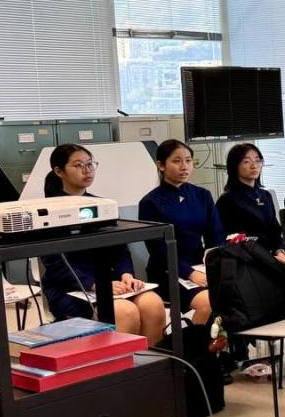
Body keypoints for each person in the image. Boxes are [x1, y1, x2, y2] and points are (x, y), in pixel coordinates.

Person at [40, 144, 167, 343]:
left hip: (111, 283)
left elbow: (120, 249)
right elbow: (55, 263)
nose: (87, 170)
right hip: (71, 288)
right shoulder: (46, 212)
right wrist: (94, 284)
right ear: (59, 171)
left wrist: (126, 275)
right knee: (125, 312)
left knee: (153, 304)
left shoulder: (103, 205)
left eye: (90, 164)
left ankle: (147, 361)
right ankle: (118, 362)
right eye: (78, 165)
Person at [138, 139, 223, 326]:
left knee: (237, 293)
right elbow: (158, 250)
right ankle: (195, 343)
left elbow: (215, 234)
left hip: (201, 266)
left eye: (188, 160)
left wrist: (214, 265)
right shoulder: (150, 202)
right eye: (177, 161)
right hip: (168, 270)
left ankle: (226, 343)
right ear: (161, 165)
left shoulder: (202, 195)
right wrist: (189, 273)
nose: (184, 166)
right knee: (208, 302)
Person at [216, 143, 285, 266]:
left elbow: (275, 231)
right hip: (249, 261)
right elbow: (231, 239)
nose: (254, 166)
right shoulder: (227, 200)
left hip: (275, 256)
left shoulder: (266, 195)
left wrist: (280, 251)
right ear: (234, 166)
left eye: (257, 161)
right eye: (246, 162)